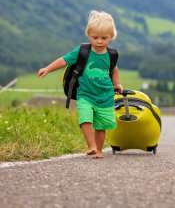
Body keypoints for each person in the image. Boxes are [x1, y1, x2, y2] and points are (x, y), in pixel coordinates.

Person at [37, 10, 124, 159]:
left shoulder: (112, 55)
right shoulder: (83, 51)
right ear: (88, 34)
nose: (99, 41)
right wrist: (48, 68)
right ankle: (91, 146)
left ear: (111, 37)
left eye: (104, 38)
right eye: (94, 37)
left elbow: (113, 70)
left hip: (105, 96)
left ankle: (99, 151)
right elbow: (64, 60)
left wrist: (117, 84)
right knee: (85, 118)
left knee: (101, 126)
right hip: (86, 95)